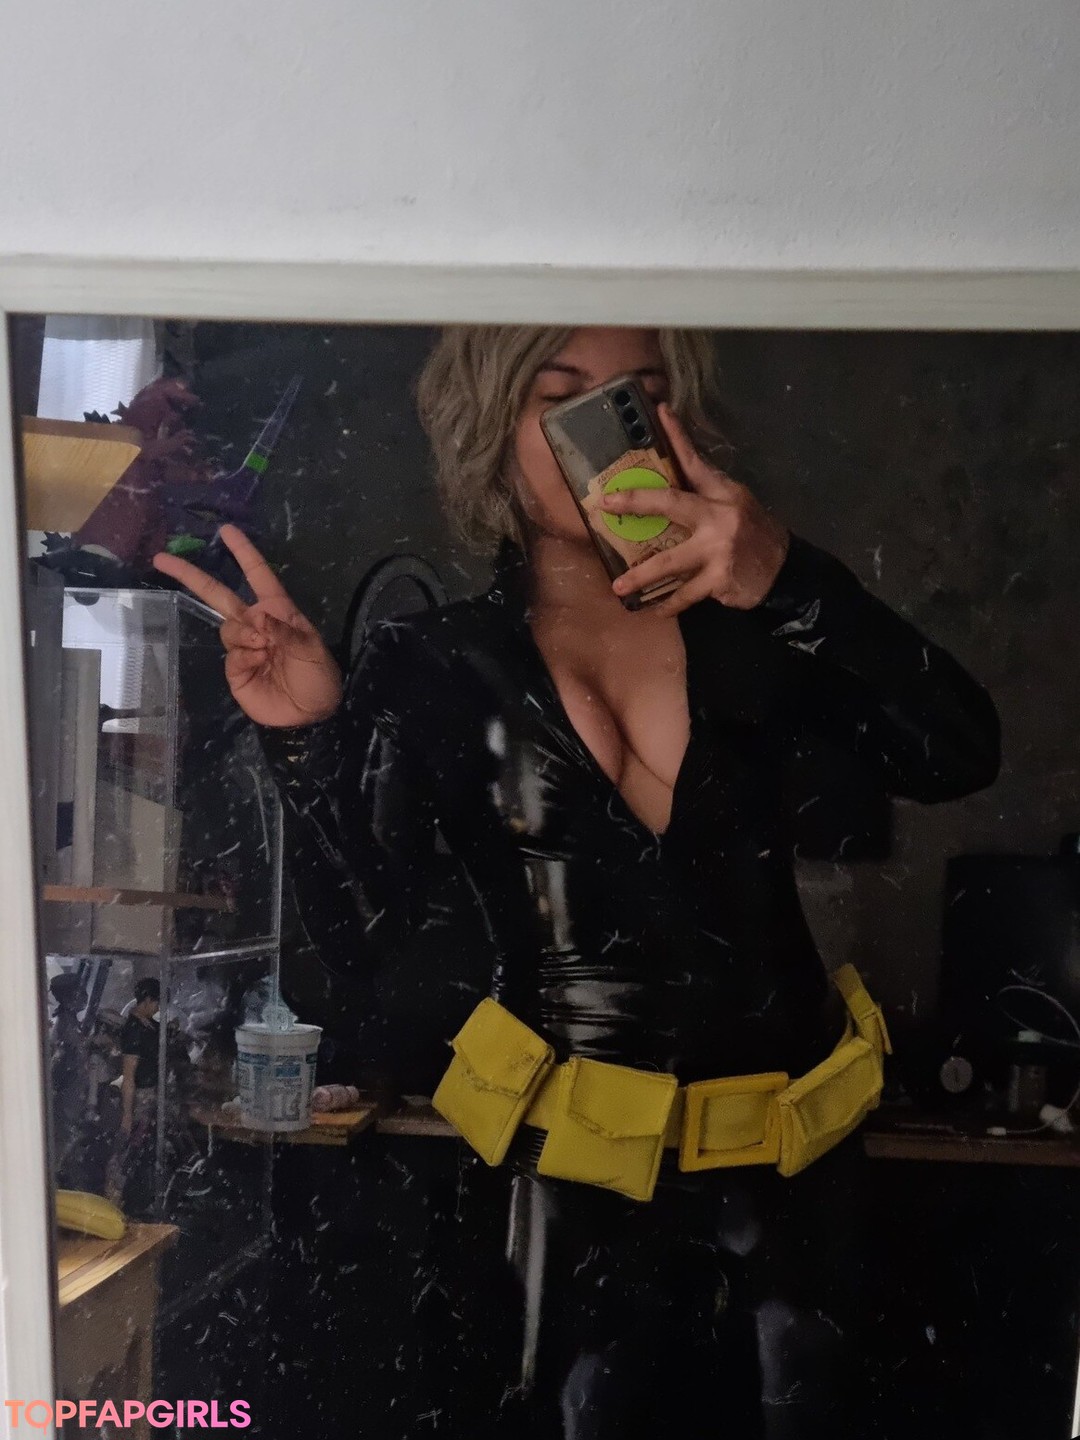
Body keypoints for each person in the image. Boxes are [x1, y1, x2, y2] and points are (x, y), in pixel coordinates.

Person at [152, 325, 1000, 1438]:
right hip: (561, 1181)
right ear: (488, 429)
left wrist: (789, 575)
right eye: (557, 399)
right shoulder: (438, 659)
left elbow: (957, 753)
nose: (600, 434)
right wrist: (308, 737)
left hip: (798, 1171)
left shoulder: (758, 626)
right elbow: (369, 951)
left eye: (634, 397)